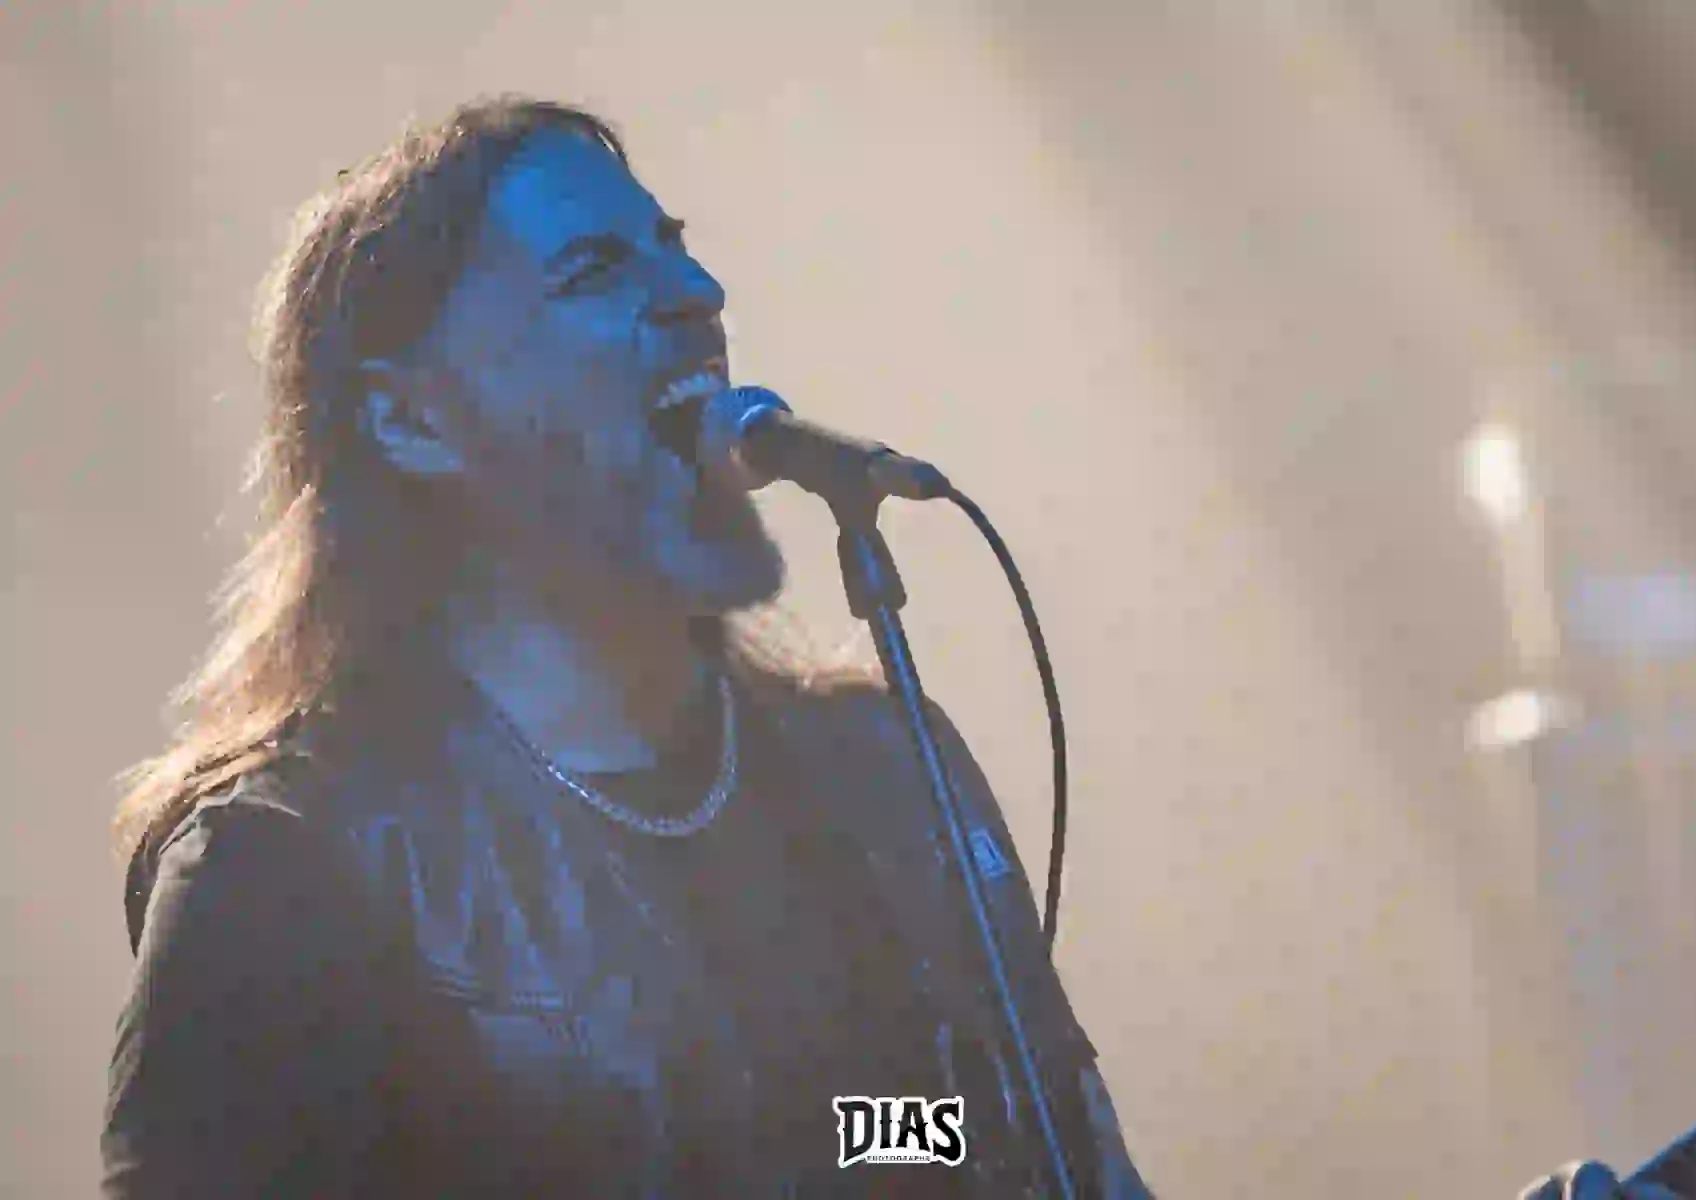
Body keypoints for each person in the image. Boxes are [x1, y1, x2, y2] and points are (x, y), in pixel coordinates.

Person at [100, 96, 1151, 1198]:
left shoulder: (880, 769)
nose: (698, 293)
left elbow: (951, 1135)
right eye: (595, 271)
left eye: (674, 248)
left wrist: (907, 1146)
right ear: (411, 421)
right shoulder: (282, 869)